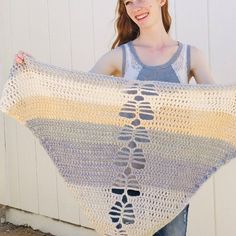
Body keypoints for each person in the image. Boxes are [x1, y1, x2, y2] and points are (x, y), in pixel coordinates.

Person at [15, 0, 215, 235]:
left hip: (173, 181)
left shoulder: (191, 56)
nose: (136, 6)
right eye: (128, 2)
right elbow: (73, 95)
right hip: (127, 178)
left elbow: (216, 108)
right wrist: (32, 72)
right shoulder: (120, 57)